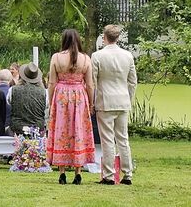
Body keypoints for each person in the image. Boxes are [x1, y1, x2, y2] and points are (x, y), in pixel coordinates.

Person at [46, 29, 95, 185]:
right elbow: (90, 84)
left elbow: (52, 82)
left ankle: (61, 172)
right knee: (78, 130)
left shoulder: (57, 57)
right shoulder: (85, 58)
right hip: (79, 96)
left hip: (61, 95)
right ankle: (78, 171)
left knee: (61, 130)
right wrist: (91, 102)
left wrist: (51, 99)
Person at [92, 25, 137, 185]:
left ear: (104, 37)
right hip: (123, 101)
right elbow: (132, 81)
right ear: (117, 38)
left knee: (107, 140)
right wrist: (128, 97)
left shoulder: (97, 56)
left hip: (105, 101)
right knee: (123, 138)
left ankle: (109, 175)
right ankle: (128, 173)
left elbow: (93, 81)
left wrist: (92, 101)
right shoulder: (128, 56)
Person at [8, 62, 47, 134]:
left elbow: (9, 102)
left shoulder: (13, 90)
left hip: (17, 129)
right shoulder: (44, 92)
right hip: (37, 128)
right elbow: (46, 107)